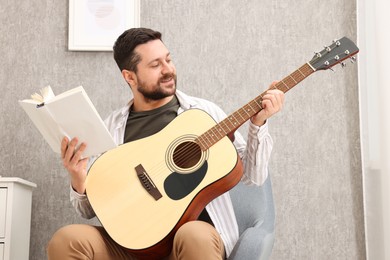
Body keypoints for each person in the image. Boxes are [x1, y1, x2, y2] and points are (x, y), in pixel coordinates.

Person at [47, 27, 284, 260]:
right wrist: (78, 179)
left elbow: (253, 178)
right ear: (129, 76)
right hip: (130, 246)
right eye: (155, 65)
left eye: (168, 59)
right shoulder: (112, 126)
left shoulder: (203, 113)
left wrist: (258, 125)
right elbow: (89, 211)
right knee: (66, 240)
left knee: (194, 235)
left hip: (189, 240)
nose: (168, 70)